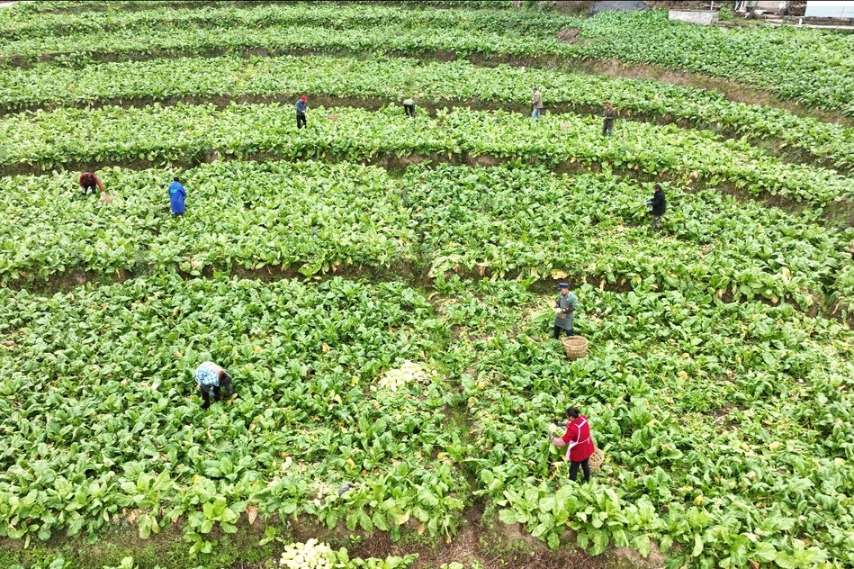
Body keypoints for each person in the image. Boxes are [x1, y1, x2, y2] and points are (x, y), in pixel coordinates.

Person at [551, 407, 596, 483]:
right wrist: (563, 424)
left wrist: (552, 438)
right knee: (585, 465)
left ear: (571, 417)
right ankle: (587, 480)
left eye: (567, 416)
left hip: (578, 451)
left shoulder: (572, 429)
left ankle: (571, 486)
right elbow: (576, 424)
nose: (567, 418)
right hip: (587, 447)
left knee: (573, 469)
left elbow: (562, 442)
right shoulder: (583, 418)